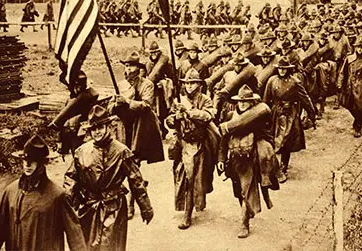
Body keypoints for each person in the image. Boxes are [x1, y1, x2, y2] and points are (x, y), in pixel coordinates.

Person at [64, 106, 154, 251]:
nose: (97, 132)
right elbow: (71, 179)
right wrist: (68, 206)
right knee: (88, 245)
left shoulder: (121, 151)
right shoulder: (81, 152)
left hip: (113, 207)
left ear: (108, 126)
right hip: (89, 206)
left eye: (100, 127)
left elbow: (136, 180)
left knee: (110, 246)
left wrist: (146, 208)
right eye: (93, 129)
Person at [0, 135, 87, 251]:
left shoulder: (58, 195)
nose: (27, 165)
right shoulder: (11, 191)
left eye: (32, 161)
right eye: (25, 160)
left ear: (42, 163)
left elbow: (75, 236)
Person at [218, 84, 279, 238]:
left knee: (246, 190)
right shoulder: (230, 116)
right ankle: (247, 210)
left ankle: (244, 223)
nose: (243, 104)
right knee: (238, 192)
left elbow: (265, 134)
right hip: (234, 159)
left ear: (252, 102)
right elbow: (224, 140)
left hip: (250, 159)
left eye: (246, 101)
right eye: (240, 101)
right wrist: (221, 158)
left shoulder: (257, 116)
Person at [109, 51, 164, 218]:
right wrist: (115, 104)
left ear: (138, 68)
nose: (128, 69)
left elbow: (147, 105)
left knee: (133, 166)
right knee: (120, 165)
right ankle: (132, 193)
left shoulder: (147, 84)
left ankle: (132, 203)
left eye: (131, 65)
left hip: (140, 128)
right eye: (126, 65)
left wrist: (128, 102)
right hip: (122, 128)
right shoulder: (120, 85)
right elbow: (110, 107)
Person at [165, 68, 220, 230]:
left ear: (198, 84)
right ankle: (188, 207)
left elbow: (208, 116)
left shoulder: (205, 99)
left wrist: (189, 112)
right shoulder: (179, 100)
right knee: (182, 177)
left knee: (194, 179)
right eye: (187, 83)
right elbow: (168, 122)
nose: (189, 86)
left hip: (198, 146)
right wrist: (175, 117)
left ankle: (187, 215)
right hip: (183, 144)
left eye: (193, 83)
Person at [263, 56, 316, 183]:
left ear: (288, 69)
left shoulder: (295, 82)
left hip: (289, 114)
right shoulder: (272, 81)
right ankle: (274, 166)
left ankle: (283, 166)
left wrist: (312, 114)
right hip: (276, 113)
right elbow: (266, 100)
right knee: (273, 140)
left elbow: (305, 99)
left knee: (286, 140)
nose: (281, 71)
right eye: (280, 68)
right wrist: (264, 115)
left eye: (284, 69)